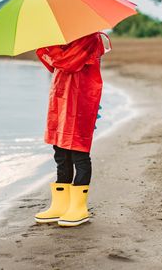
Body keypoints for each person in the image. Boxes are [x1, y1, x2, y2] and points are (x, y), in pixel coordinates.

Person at [34, 32, 110, 227]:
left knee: (78, 151)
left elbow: (69, 62)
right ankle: (61, 204)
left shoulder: (90, 39)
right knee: (60, 152)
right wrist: (49, 44)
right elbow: (53, 66)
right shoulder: (60, 40)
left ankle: (78, 207)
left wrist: (47, 47)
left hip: (80, 98)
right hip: (60, 99)